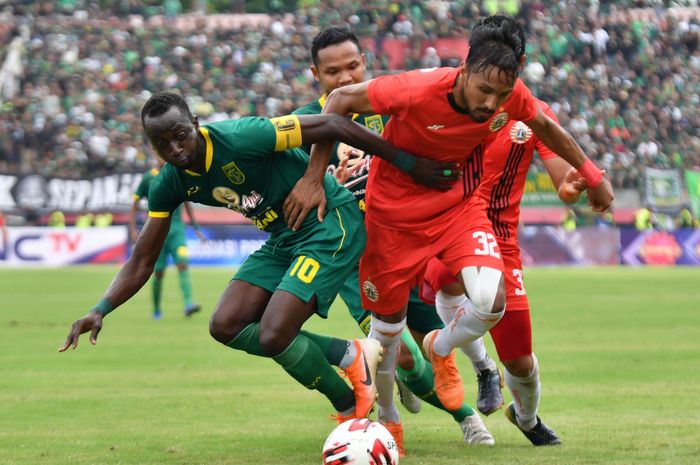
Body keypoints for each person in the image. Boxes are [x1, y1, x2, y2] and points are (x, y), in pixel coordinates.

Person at [284, 15, 614, 440]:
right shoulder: (415, 88)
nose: (492, 104)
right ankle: (388, 416)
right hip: (392, 222)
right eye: (484, 91)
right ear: (464, 71)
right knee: (388, 339)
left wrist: (593, 174)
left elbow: (546, 126)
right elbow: (339, 101)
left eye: (501, 94)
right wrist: (313, 177)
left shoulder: (507, 93)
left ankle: (442, 348)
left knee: (491, 298)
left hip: (458, 211)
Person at [58, 91, 460, 424]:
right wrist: (101, 308)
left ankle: (351, 407)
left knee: (273, 334)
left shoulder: (243, 136)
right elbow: (142, 259)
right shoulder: (169, 183)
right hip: (284, 237)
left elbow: (334, 124)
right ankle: (351, 360)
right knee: (225, 325)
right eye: (161, 144)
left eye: (180, 135)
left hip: (328, 223)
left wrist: (408, 164)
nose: (175, 149)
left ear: (196, 122)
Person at [293, 27, 494, 453]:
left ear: (364, 61)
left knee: (434, 341)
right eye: (333, 72)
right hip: (356, 258)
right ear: (315, 74)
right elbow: (299, 188)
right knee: (398, 353)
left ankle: (461, 388)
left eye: (353, 66)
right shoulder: (305, 126)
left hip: (409, 241)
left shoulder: (389, 104)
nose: (346, 78)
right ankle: (464, 418)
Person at [421, 98, 589, 446]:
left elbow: (563, 180)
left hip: (501, 239)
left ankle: (525, 419)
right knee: (448, 284)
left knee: (520, 362)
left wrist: (570, 187)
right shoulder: (450, 98)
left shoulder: (535, 113)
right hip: (452, 224)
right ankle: (476, 363)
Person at [130, 160, 205, 319]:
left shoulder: (177, 173)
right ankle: (157, 310)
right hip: (157, 233)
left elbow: (187, 203)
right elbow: (134, 203)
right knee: (158, 273)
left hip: (177, 231)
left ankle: (188, 304)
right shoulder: (148, 178)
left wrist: (196, 228)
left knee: (183, 264)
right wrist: (133, 229)